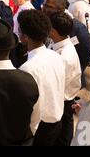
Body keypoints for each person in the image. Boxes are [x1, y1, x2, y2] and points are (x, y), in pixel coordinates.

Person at [18, 10, 66, 146]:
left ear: (25, 37)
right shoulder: (56, 56)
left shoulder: (28, 68)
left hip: (40, 126)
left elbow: (28, 107)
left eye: (19, 30)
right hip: (57, 119)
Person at [42, 0, 90, 89]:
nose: (44, 8)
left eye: (48, 6)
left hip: (69, 81)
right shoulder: (47, 22)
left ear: (60, 8)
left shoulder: (76, 27)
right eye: (44, 5)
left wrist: (74, 73)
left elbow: (86, 55)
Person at [48, 12, 81, 146]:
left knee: (61, 137)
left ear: (53, 31)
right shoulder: (57, 42)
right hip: (62, 98)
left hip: (63, 99)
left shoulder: (65, 55)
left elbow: (57, 82)